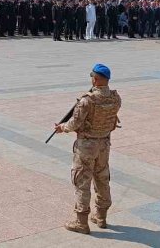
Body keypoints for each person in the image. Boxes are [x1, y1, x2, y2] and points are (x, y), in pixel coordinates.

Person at [53, 64, 121, 234]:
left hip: (86, 146)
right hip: (104, 144)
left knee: (82, 181)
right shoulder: (115, 98)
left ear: (95, 79)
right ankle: (101, 216)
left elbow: (74, 123)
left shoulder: (87, 100)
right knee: (102, 178)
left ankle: (81, 222)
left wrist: (62, 127)